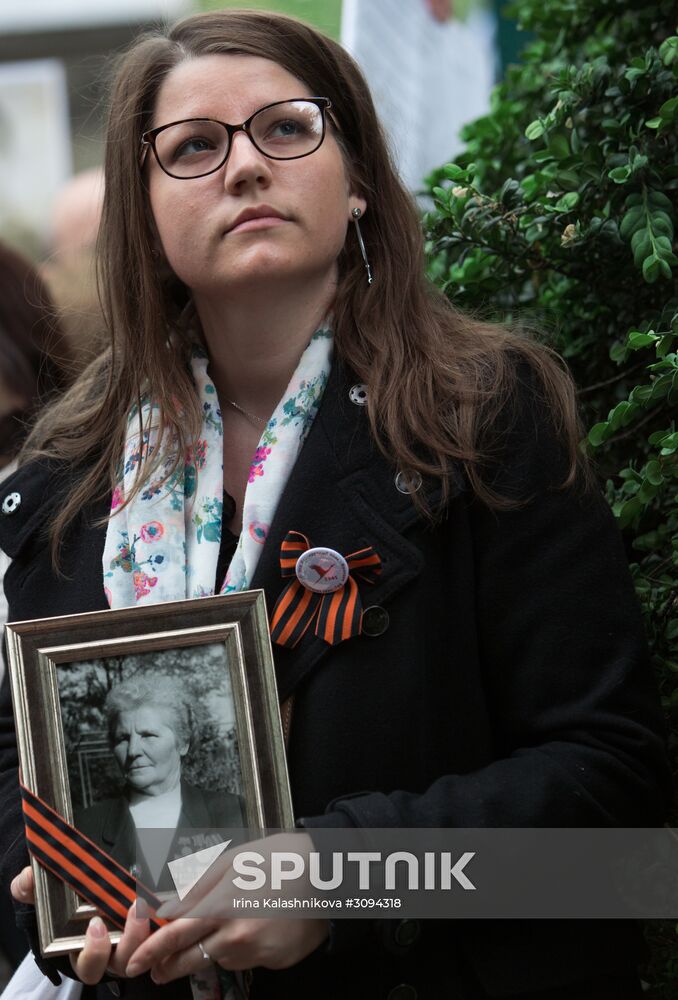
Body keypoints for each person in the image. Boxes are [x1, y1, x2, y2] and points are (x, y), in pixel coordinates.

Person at [0, 8, 669, 1000]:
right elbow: (19, 772)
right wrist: (61, 885)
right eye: (192, 146)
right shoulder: (60, 483)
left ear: (357, 179)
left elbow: (620, 822)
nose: (244, 167)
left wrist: (341, 877)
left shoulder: (485, 421)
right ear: (141, 211)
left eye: (286, 128)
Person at [75, 677, 243, 891]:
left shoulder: (235, 813)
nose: (133, 750)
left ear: (182, 743)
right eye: (123, 738)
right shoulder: (83, 827)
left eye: (148, 735)